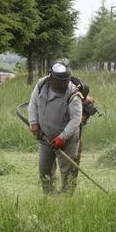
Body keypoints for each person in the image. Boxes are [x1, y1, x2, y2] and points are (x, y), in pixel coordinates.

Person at [28, 63, 83, 194]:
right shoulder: (42, 84)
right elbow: (33, 102)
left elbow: (76, 119)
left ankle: (67, 198)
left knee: (68, 172)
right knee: (44, 169)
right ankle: (49, 196)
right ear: (51, 78)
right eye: (60, 82)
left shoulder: (73, 94)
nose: (63, 85)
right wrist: (33, 122)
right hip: (45, 137)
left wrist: (62, 138)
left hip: (67, 139)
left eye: (66, 81)